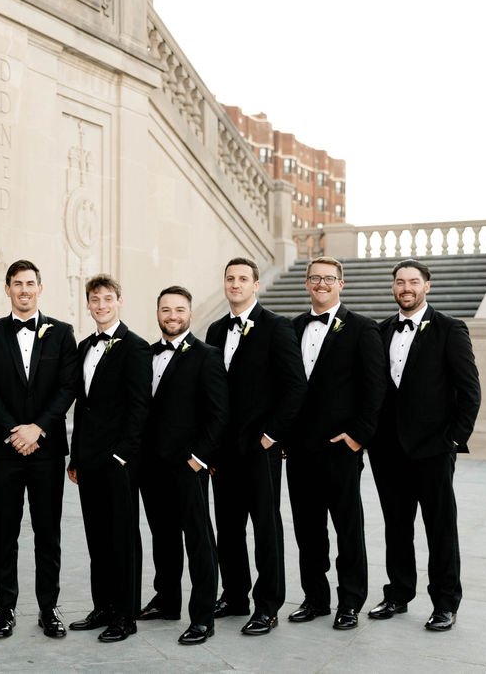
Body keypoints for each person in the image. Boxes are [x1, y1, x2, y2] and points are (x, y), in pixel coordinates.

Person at [367, 259, 481, 632]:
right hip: (388, 451)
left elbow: (470, 391)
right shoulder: (381, 331)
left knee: (440, 528)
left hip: (433, 449)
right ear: (393, 287)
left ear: (426, 286)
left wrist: (453, 439)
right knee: (396, 527)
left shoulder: (450, 329)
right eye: (400, 282)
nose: (406, 288)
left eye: (413, 282)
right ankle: (398, 594)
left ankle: (445, 602)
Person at [0, 260, 79, 639]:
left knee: (47, 532)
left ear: (40, 287)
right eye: (17, 284)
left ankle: (49, 609)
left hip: (47, 450)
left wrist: (38, 429)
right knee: (5, 531)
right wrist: (14, 431)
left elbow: (68, 387)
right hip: (5, 450)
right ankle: (6, 608)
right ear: (7, 289)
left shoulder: (63, 333)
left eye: (30, 283)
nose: (24, 290)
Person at [205, 257, 306, 636]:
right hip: (223, 449)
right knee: (228, 527)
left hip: (260, 447)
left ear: (256, 285)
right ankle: (234, 596)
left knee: (265, 527)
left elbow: (295, 386)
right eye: (229, 278)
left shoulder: (276, 327)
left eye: (242, 279)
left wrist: (270, 435)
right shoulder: (215, 330)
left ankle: (268, 605)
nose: (235, 284)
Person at [285, 258, 384, 630]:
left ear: (341, 283)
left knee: (347, 526)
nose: (321, 284)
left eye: (329, 278)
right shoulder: (292, 327)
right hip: (298, 448)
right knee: (307, 528)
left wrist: (359, 436)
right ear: (306, 283)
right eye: (315, 278)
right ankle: (315, 598)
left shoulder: (362, 328)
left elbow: (375, 388)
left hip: (341, 447)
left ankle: (351, 601)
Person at [138, 286, 229, 645]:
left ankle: (203, 615)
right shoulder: (145, 354)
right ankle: (167, 599)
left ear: (189, 313)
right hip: (151, 465)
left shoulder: (207, 355)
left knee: (199, 539)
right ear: (157, 313)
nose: (172, 316)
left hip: (188, 464)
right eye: (166, 310)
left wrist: (200, 458)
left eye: (179, 310)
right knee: (162, 536)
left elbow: (219, 412)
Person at [68, 274, 151, 643]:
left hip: (118, 461)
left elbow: (139, 407)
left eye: (107, 299)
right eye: (95, 300)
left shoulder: (136, 346)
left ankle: (125, 615)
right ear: (88, 304)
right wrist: (75, 458)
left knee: (122, 537)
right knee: (96, 537)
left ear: (120, 301)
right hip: (87, 460)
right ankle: (102, 606)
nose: (101, 305)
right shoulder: (85, 345)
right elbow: (82, 408)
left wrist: (123, 454)